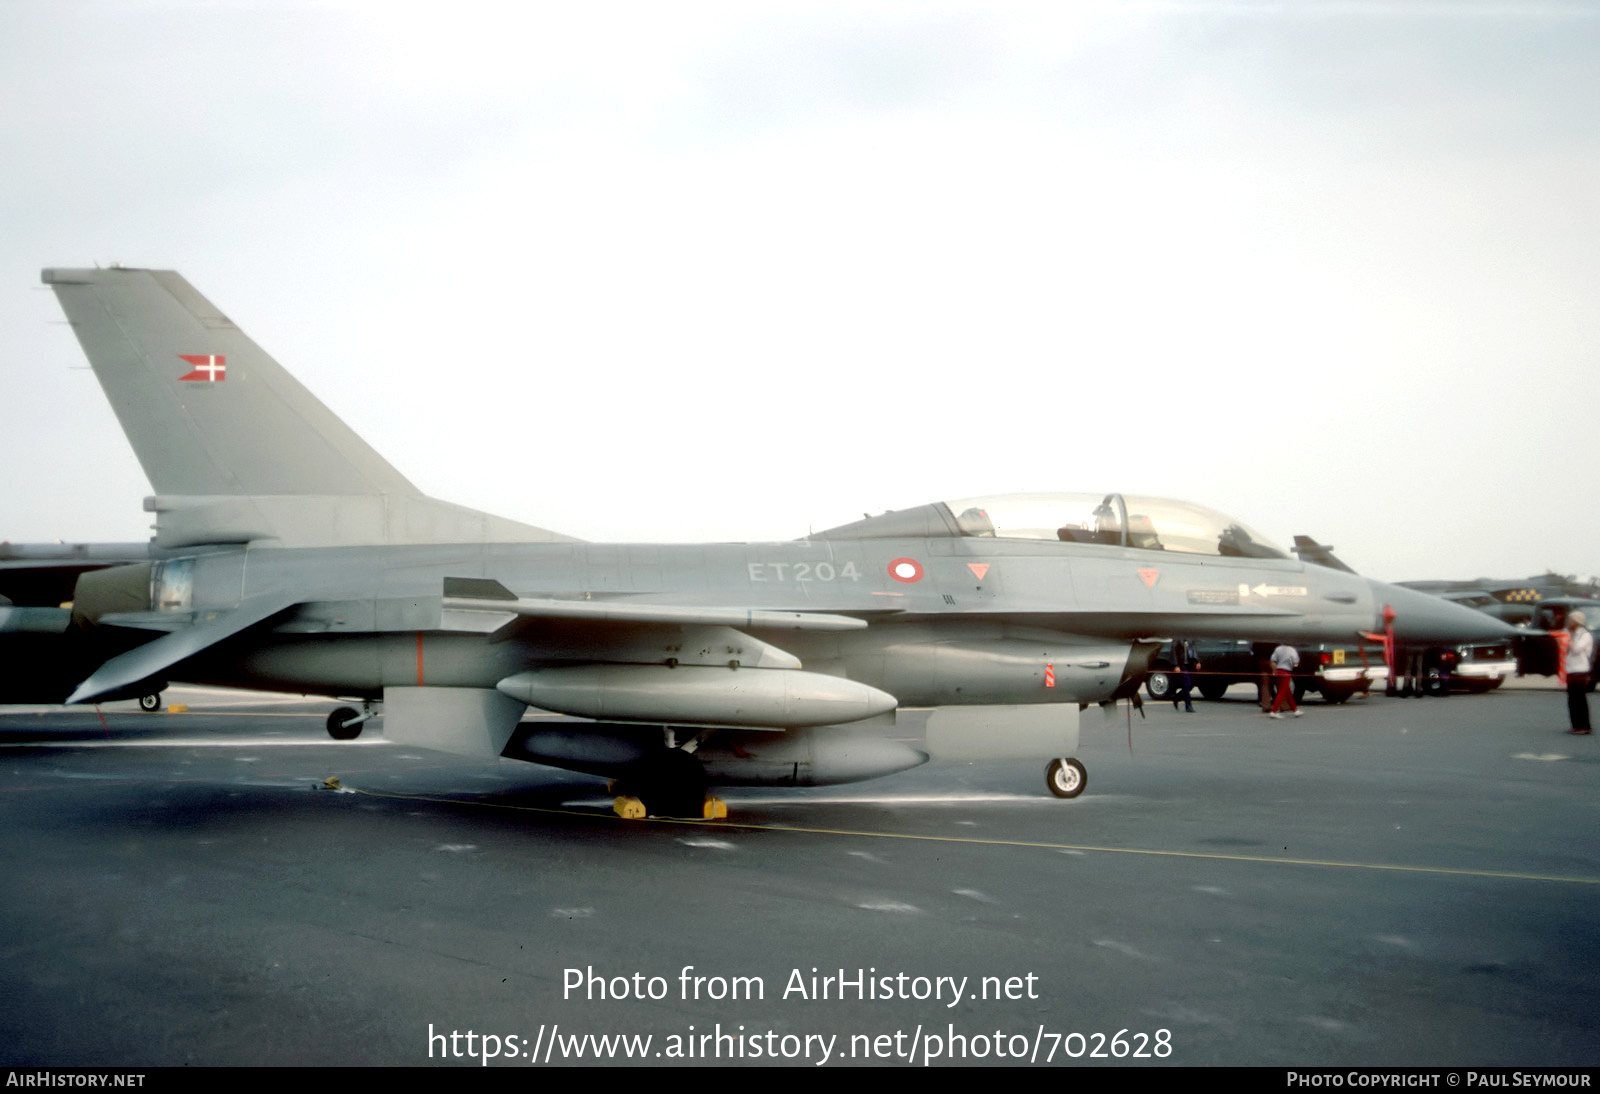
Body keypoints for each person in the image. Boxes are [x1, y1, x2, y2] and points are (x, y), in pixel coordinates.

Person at [1566, 610, 1593, 735]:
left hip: (1580, 671)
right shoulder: (1574, 634)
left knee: (1580, 700)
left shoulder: (1585, 636)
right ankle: (1576, 725)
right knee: (1572, 700)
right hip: (1571, 670)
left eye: (1571, 620)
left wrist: (1569, 639)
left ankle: (1584, 726)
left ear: (1577, 622)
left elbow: (1576, 650)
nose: (1569, 622)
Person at [1268, 642, 1302, 719]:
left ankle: (1295, 710)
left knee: (1287, 692)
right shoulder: (1291, 650)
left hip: (1278, 670)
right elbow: (1295, 661)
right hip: (1286, 671)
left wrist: (1274, 670)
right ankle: (1274, 711)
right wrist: (1294, 664)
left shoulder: (1278, 649)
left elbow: (1273, 660)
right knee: (1282, 692)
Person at [1172, 639, 1201, 713]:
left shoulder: (1190, 638)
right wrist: (1176, 665)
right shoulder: (1177, 638)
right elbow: (1174, 652)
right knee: (1187, 683)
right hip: (1182, 665)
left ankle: (1177, 697)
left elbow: (1193, 650)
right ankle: (1188, 706)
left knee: (1191, 685)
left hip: (1190, 665)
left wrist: (1197, 661)